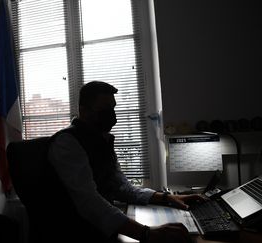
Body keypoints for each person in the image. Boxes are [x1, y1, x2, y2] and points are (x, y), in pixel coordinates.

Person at [48, 81, 204, 243]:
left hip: (100, 228)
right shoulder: (67, 143)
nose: (111, 114)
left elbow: (122, 188)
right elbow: (89, 202)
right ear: (84, 111)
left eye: (113, 108)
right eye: (105, 109)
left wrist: (167, 198)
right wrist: (146, 233)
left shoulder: (101, 140)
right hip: (77, 233)